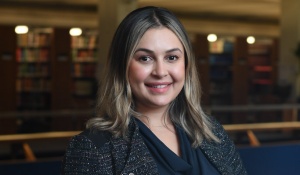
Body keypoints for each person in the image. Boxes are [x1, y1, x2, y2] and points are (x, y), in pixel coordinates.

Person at [61, 6, 247, 175]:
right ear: (121, 66)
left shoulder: (211, 131)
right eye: (145, 58)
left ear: (186, 65)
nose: (160, 72)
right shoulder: (94, 147)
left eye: (172, 57)